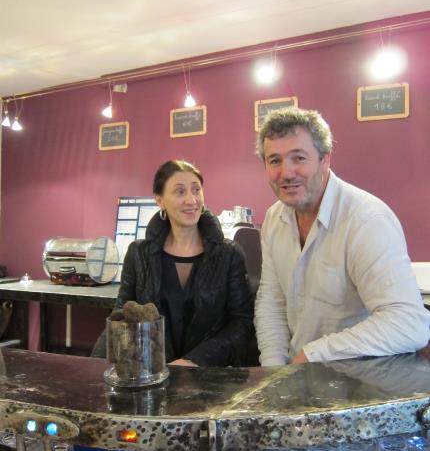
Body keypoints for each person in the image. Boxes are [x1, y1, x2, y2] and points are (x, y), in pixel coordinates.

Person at [254, 107, 430, 366]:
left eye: (299, 158)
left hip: (364, 386)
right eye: (275, 161)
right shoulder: (273, 219)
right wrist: (274, 372)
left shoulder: (366, 219)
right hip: (297, 380)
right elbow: (272, 303)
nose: (286, 173)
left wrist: (313, 355)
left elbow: (408, 322)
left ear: (325, 159)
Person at [93, 159, 254, 367]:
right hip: (152, 373)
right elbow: (123, 316)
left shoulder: (229, 254)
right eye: (180, 192)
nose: (191, 199)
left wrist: (194, 361)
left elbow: (242, 323)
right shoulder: (138, 254)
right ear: (160, 200)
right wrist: (93, 367)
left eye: (196, 190)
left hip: (213, 377)